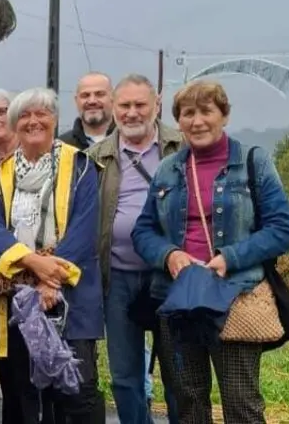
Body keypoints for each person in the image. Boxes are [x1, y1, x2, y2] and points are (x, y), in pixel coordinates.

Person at [132, 80, 289, 424]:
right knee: (188, 402)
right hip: (178, 301)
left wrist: (229, 258)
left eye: (207, 111)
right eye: (188, 113)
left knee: (241, 404)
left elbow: (282, 228)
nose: (197, 121)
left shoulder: (253, 162)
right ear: (178, 121)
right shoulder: (167, 169)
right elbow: (144, 231)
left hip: (236, 297)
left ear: (224, 115)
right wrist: (169, 256)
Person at [0, 87, 103, 423]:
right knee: (25, 390)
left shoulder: (80, 166)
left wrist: (51, 280)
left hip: (69, 294)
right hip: (18, 295)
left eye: (41, 114)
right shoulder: (4, 173)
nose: (33, 121)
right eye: (24, 115)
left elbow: (83, 228)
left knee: (73, 387)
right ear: (14, 125)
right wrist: (32, 262)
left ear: (55, 120)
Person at [87, 75, 183, 424]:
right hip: (117, 278)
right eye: (124, 105)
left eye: (139, 105)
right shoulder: (95, 158)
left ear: (156, 105)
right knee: (125, 376)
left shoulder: (181, 148)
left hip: (171, 277)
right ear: (113, 107)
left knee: (179, 375)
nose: (131, 113)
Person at [59, 72, 114, 149]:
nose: (92, 101)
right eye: (85, 95)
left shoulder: (129, 141)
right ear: (76, 101)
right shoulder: (62, 147)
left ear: (113, 98)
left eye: (99, 94)